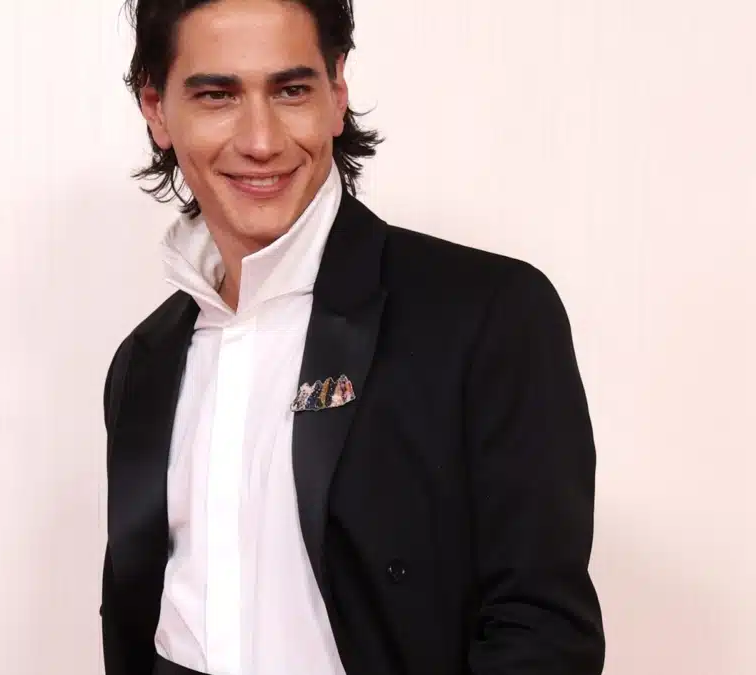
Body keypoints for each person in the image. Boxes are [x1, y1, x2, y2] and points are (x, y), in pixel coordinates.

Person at [100, 1, 606, 673]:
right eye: (217, 95)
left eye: (291, 90)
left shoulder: (488, 314)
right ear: (157, 111)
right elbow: (141, 616)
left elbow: (543, 632)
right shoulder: (143, 361)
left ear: (337, 94)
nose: (261, 140)